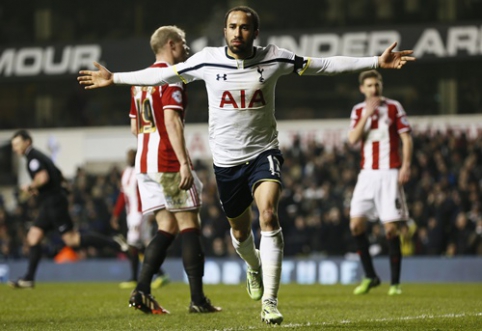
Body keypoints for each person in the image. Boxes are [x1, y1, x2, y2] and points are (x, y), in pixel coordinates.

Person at [78, 6, 415, 324]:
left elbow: (324, 64)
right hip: (226, 164)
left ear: (255, 31)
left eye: (244, 27)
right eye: (232, 27)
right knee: (240, 232)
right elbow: (163, 75)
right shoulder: (207, 61)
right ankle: (252, 266)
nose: (237, 32)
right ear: (225, 31)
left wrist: (375, 60)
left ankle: (270, 301)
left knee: (268, 214)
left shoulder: (275, 57)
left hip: (263, 153)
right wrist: (116, 79)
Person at [124, 25, 220, 314]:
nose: (187, 49)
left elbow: (134, 127)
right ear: (171, 44)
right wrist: (182, 162)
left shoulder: (139, 81)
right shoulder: (172, 76)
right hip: (166, 162)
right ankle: (198, 300)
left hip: (144, 164)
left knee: (166, 227)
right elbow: (171, 121)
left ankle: (141, 290)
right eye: (184, 43)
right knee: (190, 224)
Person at [8, 129, 129, 289]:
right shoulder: (40, 156)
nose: (15, 148)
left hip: (54, 203)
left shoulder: (33, 158)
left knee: (72, 240)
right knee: (33, 237)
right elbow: (58, 175)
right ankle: (28, 279)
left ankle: (113, 242)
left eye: (17, 144)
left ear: (27, 142)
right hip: (50, 203)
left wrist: (30, 186)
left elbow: (42, 177)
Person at [347, 70, 413, 296]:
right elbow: (353, 140)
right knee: (355, 225)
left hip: (389, 174)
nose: (373, 88)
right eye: (369, 85)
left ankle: (394, 283)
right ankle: (370, 276)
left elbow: (406, 137)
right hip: (367, 175)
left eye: (376, 84)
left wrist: (405, 165)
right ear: (362, 89)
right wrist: (367, 114)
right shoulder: (358, 110)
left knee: (391, 229)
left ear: (381, 85)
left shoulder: (394, 107)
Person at [111, 148, 170, 289]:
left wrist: (151, 213)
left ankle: (135, 277)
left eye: (131, 155)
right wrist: (115, 214)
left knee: (132, 244)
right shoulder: (125, 173)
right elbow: (122, 195)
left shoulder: (143, 171)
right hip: (131, 214)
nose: (129, 158)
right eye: (128, 155)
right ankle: (160, 274)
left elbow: (150, 192)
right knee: (141, 246)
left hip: (141, 213)